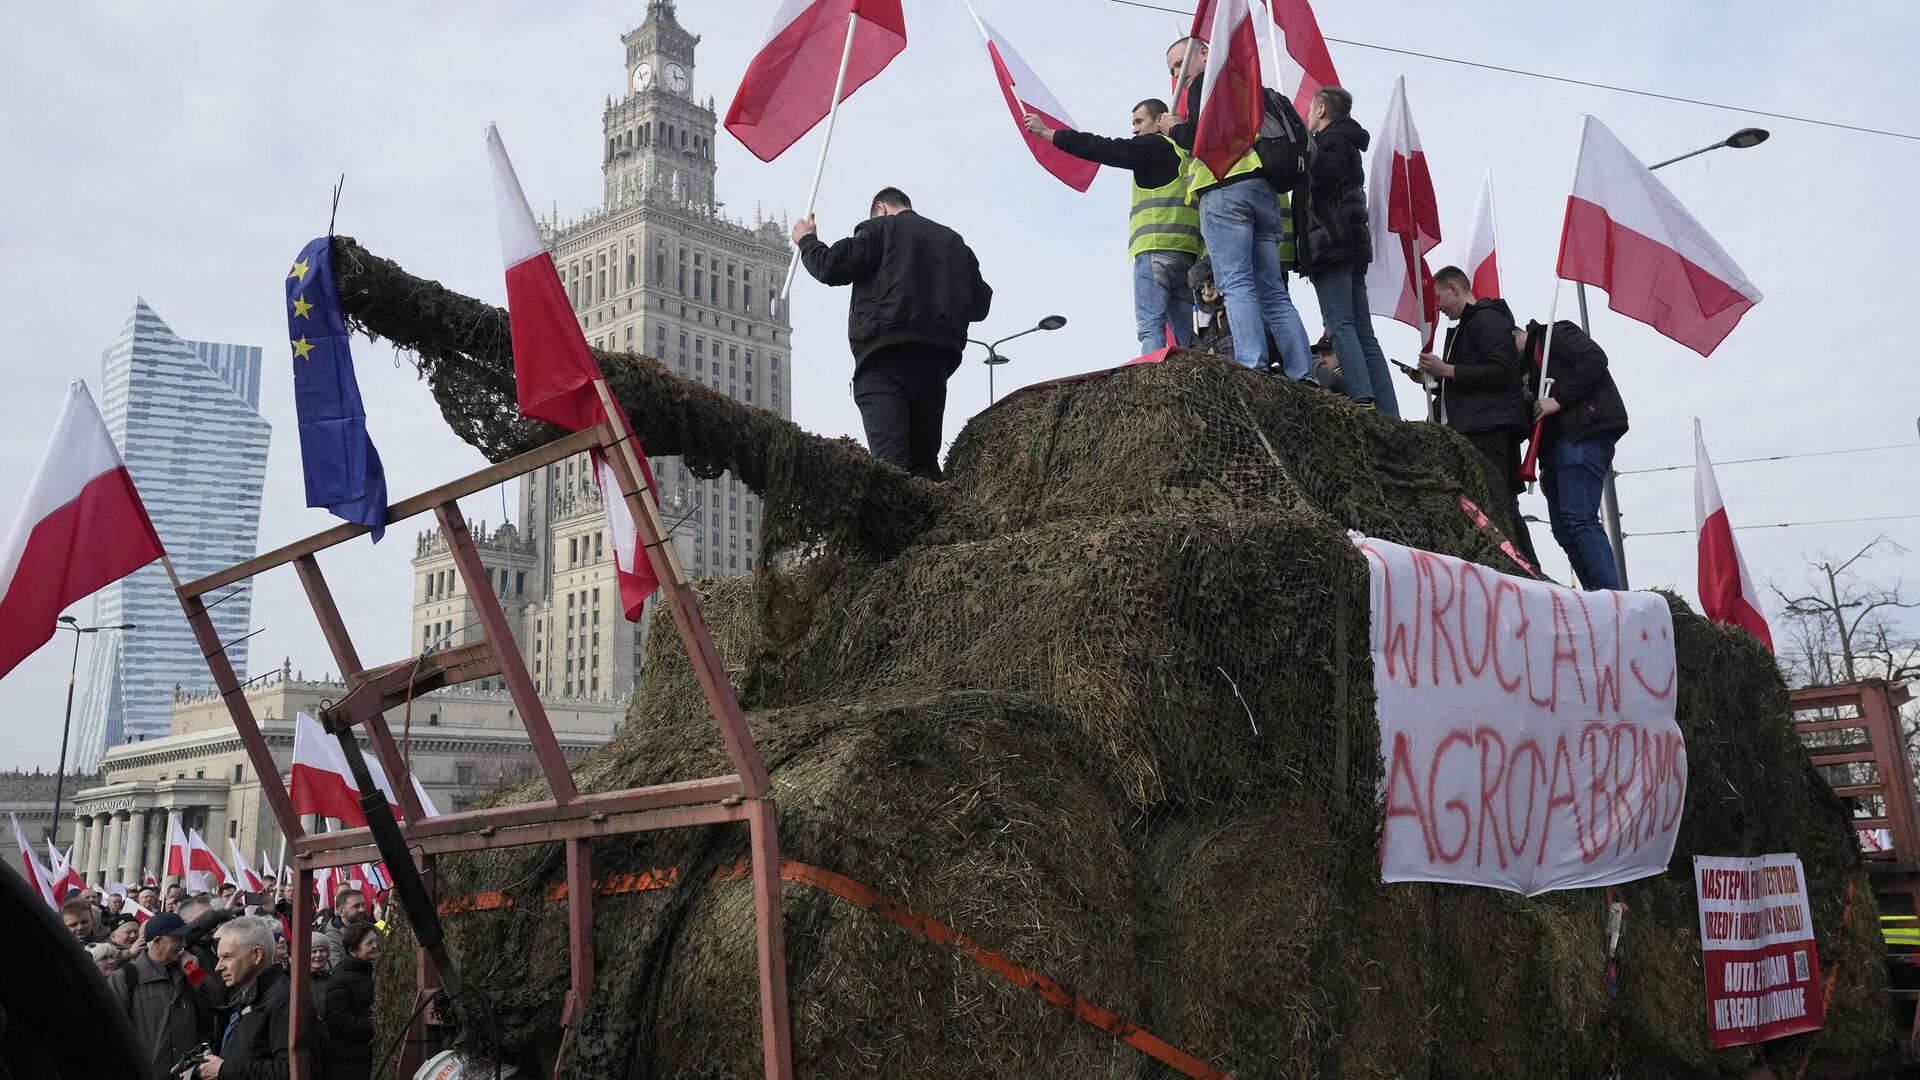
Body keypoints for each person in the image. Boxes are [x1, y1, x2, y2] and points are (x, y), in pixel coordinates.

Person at [794, 188, 992, 482]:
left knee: (890, 467)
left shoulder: (879, 229)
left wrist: (806, 239)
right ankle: (941, 525)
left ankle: (897, 525)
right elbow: (980, 304)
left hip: (884, 357)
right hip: (936, 361)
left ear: (881, 208)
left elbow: (831, 267)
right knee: (924, 462)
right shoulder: (954, 243)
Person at [1159, 37, 1312, 379]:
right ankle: (1304, 372)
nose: (1178, 75)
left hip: (1224, 191)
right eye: (1171, 70)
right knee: (1273, 291)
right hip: (1262, 190)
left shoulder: (1206, 83)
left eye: (1180, 64)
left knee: (1235, 284)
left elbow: (1199, 135)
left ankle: (1251, 366)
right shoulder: (1248, 85)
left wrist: (1173, 128)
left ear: (1203, 54)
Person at [1022, 99, 1202, 356]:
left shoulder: (1152, 146)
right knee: (1185, 336)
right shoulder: (1186, 155)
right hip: (1185, 256)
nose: (1134, 130)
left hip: (1153, 251)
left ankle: (1152, 387)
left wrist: (1048, 133)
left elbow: (1103, 147)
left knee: (1151, 329)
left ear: (1160, 118)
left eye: (1139, 122)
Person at [1413, 266, 1539, 567]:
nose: (1439, 306)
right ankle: (1517, 566)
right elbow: (1472, 379)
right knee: (1493, 502)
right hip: (1478, 424)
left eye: (1439, 296)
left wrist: (1447, 370)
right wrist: (1435, 379)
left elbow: (1502, 371)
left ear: (1454, 287)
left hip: (1489, 427)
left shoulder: (1487, 319)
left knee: (1499, 502)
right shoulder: (1471, 325)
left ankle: (1526, 568)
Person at [1299, 86, 1396, 415]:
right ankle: (1386, 408)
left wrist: (1306, 145)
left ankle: (1362, 400)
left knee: (1340, 324)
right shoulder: (1346, 140)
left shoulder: (1333, 140)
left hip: (1332, 245)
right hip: (1349, 244)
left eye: (1311, 111)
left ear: (1322, 110)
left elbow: (1325, 177)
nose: (1308, 117)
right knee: (1360, 328)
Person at [1516, 317, 1628, 589]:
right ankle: (1596, 594)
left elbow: (1594, 358)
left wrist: (1560, 399)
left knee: (1578, 517)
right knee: (1564, 532)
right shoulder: (1520, 372)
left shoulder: (1552, 334)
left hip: (1581, 434)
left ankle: (1611, 597)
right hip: (1554, 452)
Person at [110, 911, 215, 1080]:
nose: (183, 945)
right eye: (177, 939)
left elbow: (213, 1008)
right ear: (158, 942)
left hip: (187, 1075)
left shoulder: (185, 973)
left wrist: (196, 978)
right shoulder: (125, 978)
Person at [196, 917, 293, 1078]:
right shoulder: (240, 995)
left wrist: (223, 1070)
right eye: (219, 958)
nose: (218, 967)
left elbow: (289, 1070)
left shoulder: (284, 998)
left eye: (227, 957)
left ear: (256, 954)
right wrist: (209, 1062)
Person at [322, 921, 379, 1080]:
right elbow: (338, 1020)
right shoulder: (341, 977)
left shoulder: (372, 971)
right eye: (369, 943)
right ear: (354, 950)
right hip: (349, 1062)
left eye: (376, 941)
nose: (375, 945)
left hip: (364, 1057)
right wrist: (378, 1026)